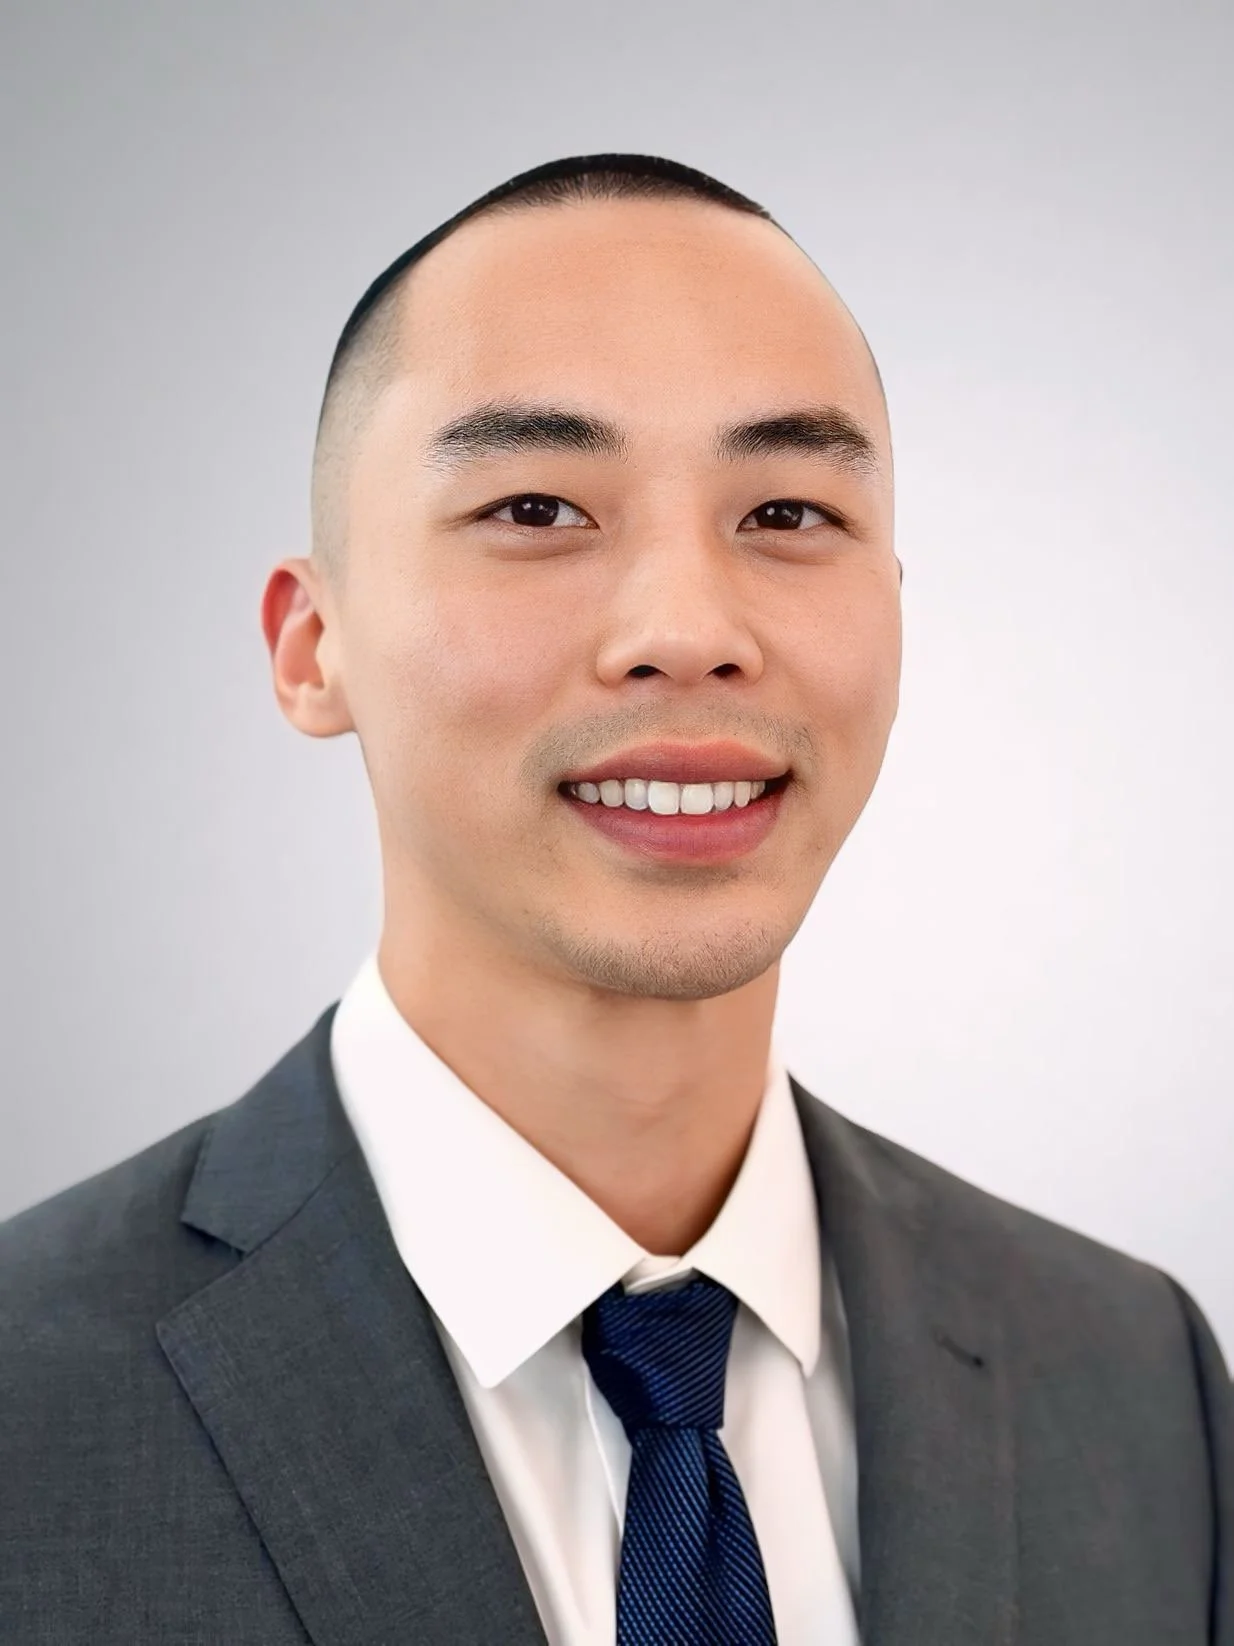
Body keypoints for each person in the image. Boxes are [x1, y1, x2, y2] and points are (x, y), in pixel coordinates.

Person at [1, 153, 1229, 1646]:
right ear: (314, 646)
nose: (688, 629)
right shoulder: (31, 1398)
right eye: (537, 505)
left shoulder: (1138, 1382)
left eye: (787, 512)